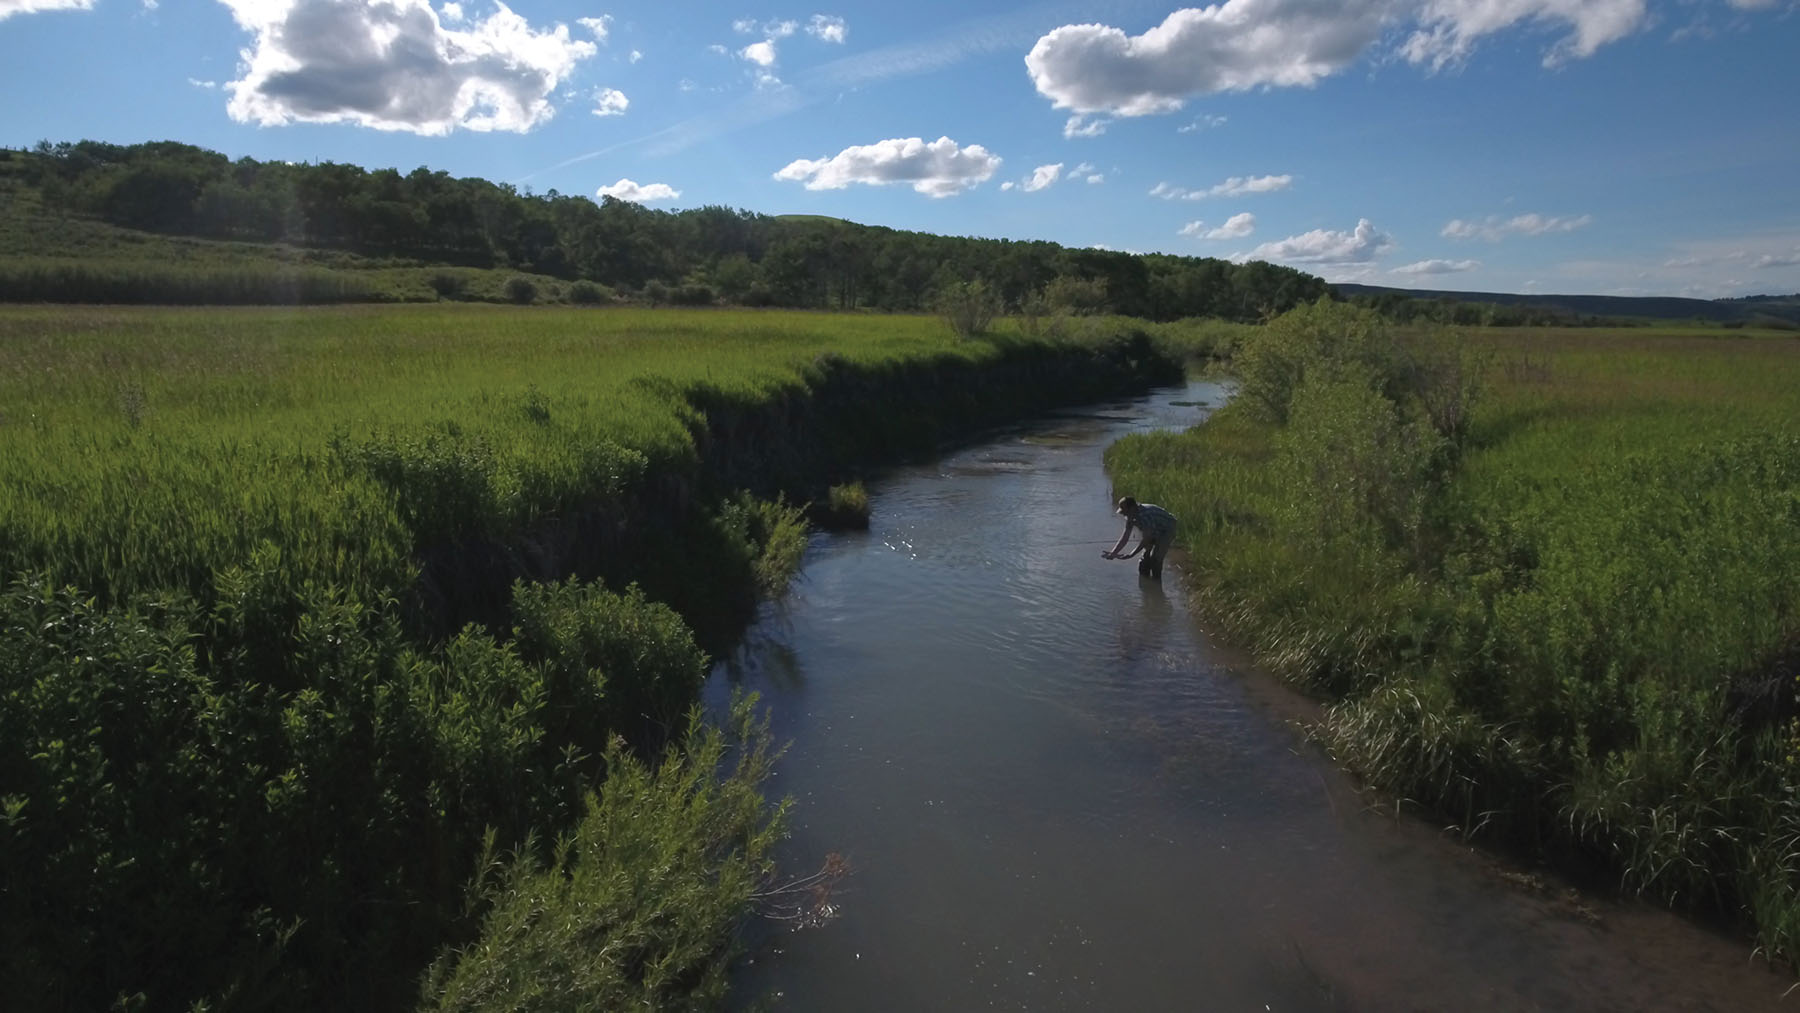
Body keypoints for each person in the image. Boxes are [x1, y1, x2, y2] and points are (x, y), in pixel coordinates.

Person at [1102, 496, 1178, 579]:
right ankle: (1145, 582)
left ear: (1132, 508)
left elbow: (1147, 539)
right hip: (1152, 528)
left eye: (1125, 511)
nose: (1123, 514)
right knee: (1144, 558)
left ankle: (1156, 581)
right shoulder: (1130, 516)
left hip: (1166, 530)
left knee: (1156, 559)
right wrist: (1113, 553)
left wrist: (1131, 554)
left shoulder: (1145, 515)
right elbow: (1125, 537)